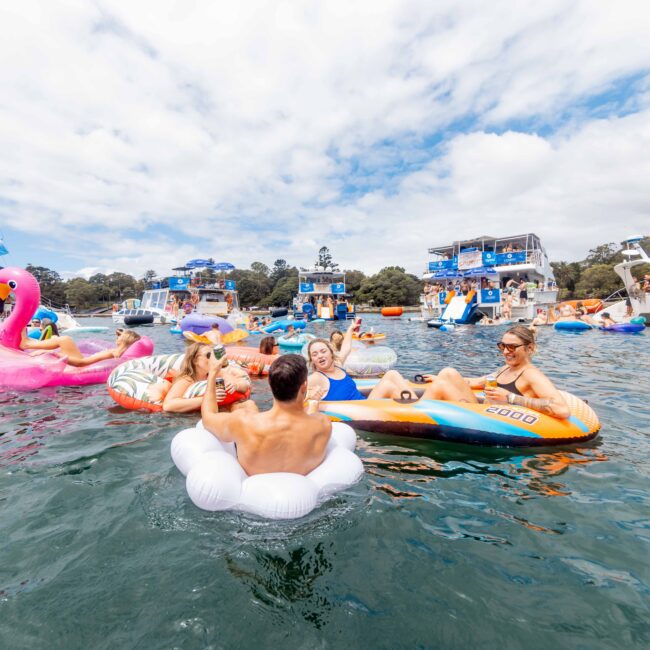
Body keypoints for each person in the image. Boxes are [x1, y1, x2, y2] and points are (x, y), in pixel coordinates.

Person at [201, 354, 332, 476]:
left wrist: (213, 373)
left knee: (248, 406)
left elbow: (208, 417)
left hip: (253, 489)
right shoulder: (323, 424)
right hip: (304, 491)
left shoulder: (243, 422)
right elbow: (309, 418)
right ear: (304, 386)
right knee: (249, 406)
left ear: (270, 384)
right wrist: (313, 402)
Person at [462, 325, 570, 418]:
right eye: (502, 346)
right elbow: (474, 382)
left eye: (512, 347)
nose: (505, 351)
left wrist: (510, 397)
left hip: (498, 424)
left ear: (530, 348)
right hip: (485, 411)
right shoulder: (505, 369)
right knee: (449, 374)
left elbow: (562, 409)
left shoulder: (530, 374)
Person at [307, 321, 416, 401]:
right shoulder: (316, 377)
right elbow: (294, 395)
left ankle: (418, 405)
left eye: (323, 351)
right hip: (357, 412)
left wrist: (350, 329)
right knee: (387, 386)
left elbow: (346, 348)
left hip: (364, 403)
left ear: (331, 353)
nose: (320, 356)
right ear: (312, 360)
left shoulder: (338, 364)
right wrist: (310, 396)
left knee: (392, 374)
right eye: (315, 354)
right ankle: (418, 410)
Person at [162, 342, 255, 413]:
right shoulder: (186, 380)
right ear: (195, 360)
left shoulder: (217, 373)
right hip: (191, 418)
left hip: (216, 412)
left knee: (249, 405)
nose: (213, 359)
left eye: (213, 355)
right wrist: (208, 398)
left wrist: (236, 385)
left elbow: (244, 385)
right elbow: (168, 405)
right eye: (208, 355)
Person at [21, 328, 141, 367]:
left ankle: (27, 344)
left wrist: (55, 354)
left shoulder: (113, 352)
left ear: (124, 340)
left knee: (65, 339)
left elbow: (82, 363)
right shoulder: (120, 354)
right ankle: (30, 343)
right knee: (62, 340)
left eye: (120, 337)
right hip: (82, 360)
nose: (117, 338)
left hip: (80, 364)